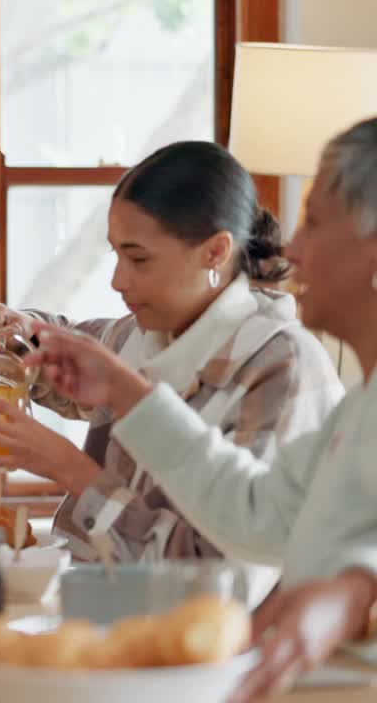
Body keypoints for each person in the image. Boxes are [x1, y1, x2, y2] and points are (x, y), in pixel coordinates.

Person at [24, 118, 377, 701]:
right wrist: (124, 390)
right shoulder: (358, 410)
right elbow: (255, 517)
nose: (292, 247)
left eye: (315, 221)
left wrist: (356, 591)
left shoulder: (283, 361)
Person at [0, 142, 342, 584]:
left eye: (139, 259)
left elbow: (213, 575)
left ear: (215, 252)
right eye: (116, 255)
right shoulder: (146, 334)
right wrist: (17, 329)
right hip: (95, 604)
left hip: (194, 634)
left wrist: (69, 469)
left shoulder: (281, 367)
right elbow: (63, 346)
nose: (116, 280)